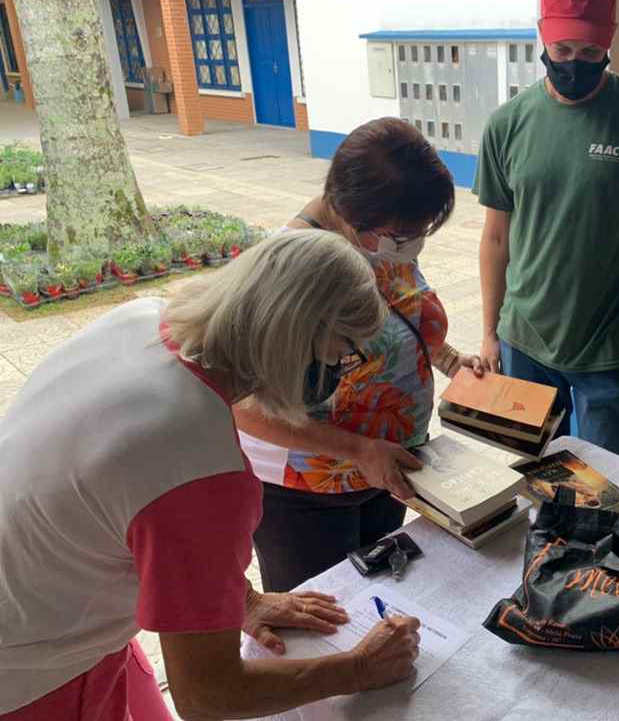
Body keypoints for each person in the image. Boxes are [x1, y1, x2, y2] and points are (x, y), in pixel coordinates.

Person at [0, 231, 421, 720]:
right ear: (296, 336)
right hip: (34, 674)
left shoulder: (142, 318)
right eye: (343, 353)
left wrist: (239, 599)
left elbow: (131, 504)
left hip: (51, 605)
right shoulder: (200, 470)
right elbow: (207, 695)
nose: (340, 372)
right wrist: (361, 668)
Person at [235, 117, 483, 593]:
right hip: (308, 490)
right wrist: (358, 448)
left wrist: (450, 360)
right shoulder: (287, 270)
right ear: (350, 211)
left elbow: (399, 315)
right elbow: (240, 404)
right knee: (325, 620)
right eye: (402, 233)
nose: (411, 242)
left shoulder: (382, 239)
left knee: (384, 597)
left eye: (422, 229)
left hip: (387, 469)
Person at [475, 0, 619, 461]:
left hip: (604, 346)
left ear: (609, 42)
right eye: (563, 50)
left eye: (591, 52)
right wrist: (489, 333)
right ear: (542, 38)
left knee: (606, 490)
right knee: (531, 474)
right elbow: (495, 238)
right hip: (523, 338)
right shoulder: (507, 123)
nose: (575, 62)